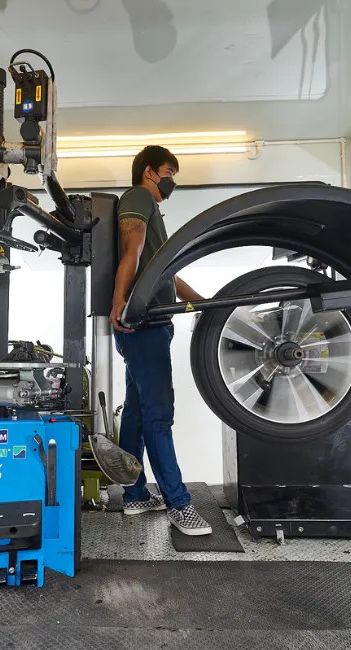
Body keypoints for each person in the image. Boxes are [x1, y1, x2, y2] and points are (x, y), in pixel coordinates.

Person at [108, 145, 212, 536]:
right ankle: (179, 504)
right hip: (144, 325)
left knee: (136, 414)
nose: (172, 181)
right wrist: (120, 302)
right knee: (158, 416)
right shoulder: (138, 197)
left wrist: (204, 303)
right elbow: (131, 251)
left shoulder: (153, 212)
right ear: (149, 171)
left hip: (151, 325)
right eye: (169, 173)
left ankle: (135, 495)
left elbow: (164, 273)